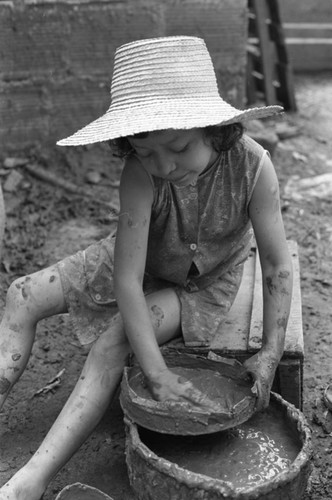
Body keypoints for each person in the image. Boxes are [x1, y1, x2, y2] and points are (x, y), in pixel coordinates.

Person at [0, 36, 293, 500]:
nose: (164, 165)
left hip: (203, 283)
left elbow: (277, 265)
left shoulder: (253, 168)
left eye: (179, 147)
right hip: (144, 255)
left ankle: (30, 481)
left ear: (217, 130)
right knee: (21, 294)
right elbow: (126, 279)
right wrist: (155, 373)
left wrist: (271, 352)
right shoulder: (143, 172)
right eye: (145, 150)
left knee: (109, 344)